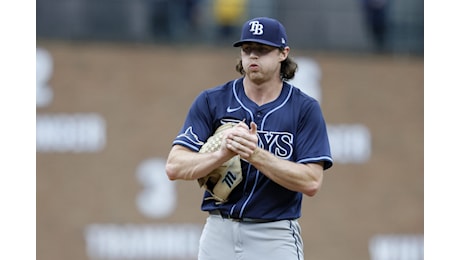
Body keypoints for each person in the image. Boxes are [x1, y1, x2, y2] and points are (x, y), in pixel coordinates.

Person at [165, 17, 333, 260]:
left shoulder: (303, 109)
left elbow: (311, 181)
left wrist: (255, 155)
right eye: (247, 49)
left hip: (274, 234)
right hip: (218, 231)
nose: (253, 56)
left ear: (283, 53)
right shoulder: (213, 101)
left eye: (262, 50)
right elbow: (174, 166)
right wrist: (220, 155)